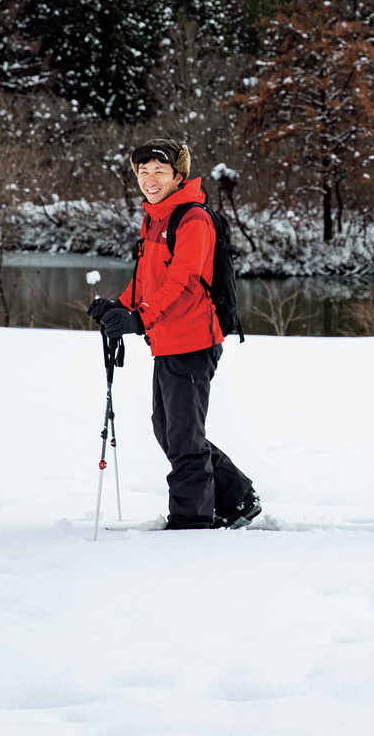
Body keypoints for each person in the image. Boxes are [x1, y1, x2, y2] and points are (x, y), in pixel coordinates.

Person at [88, 139, 260, 531]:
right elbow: (148, 280)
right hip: (167, 339)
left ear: (178, 176)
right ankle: (238, 497)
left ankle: (190, 521)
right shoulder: (155, 217)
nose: (149, 180)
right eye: (143, 172)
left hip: (194, 340)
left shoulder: (192, 219)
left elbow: (183, 284)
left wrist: (140, 319)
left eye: (159, 172)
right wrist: (118, 307)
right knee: (169, 430)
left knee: (183, 437)